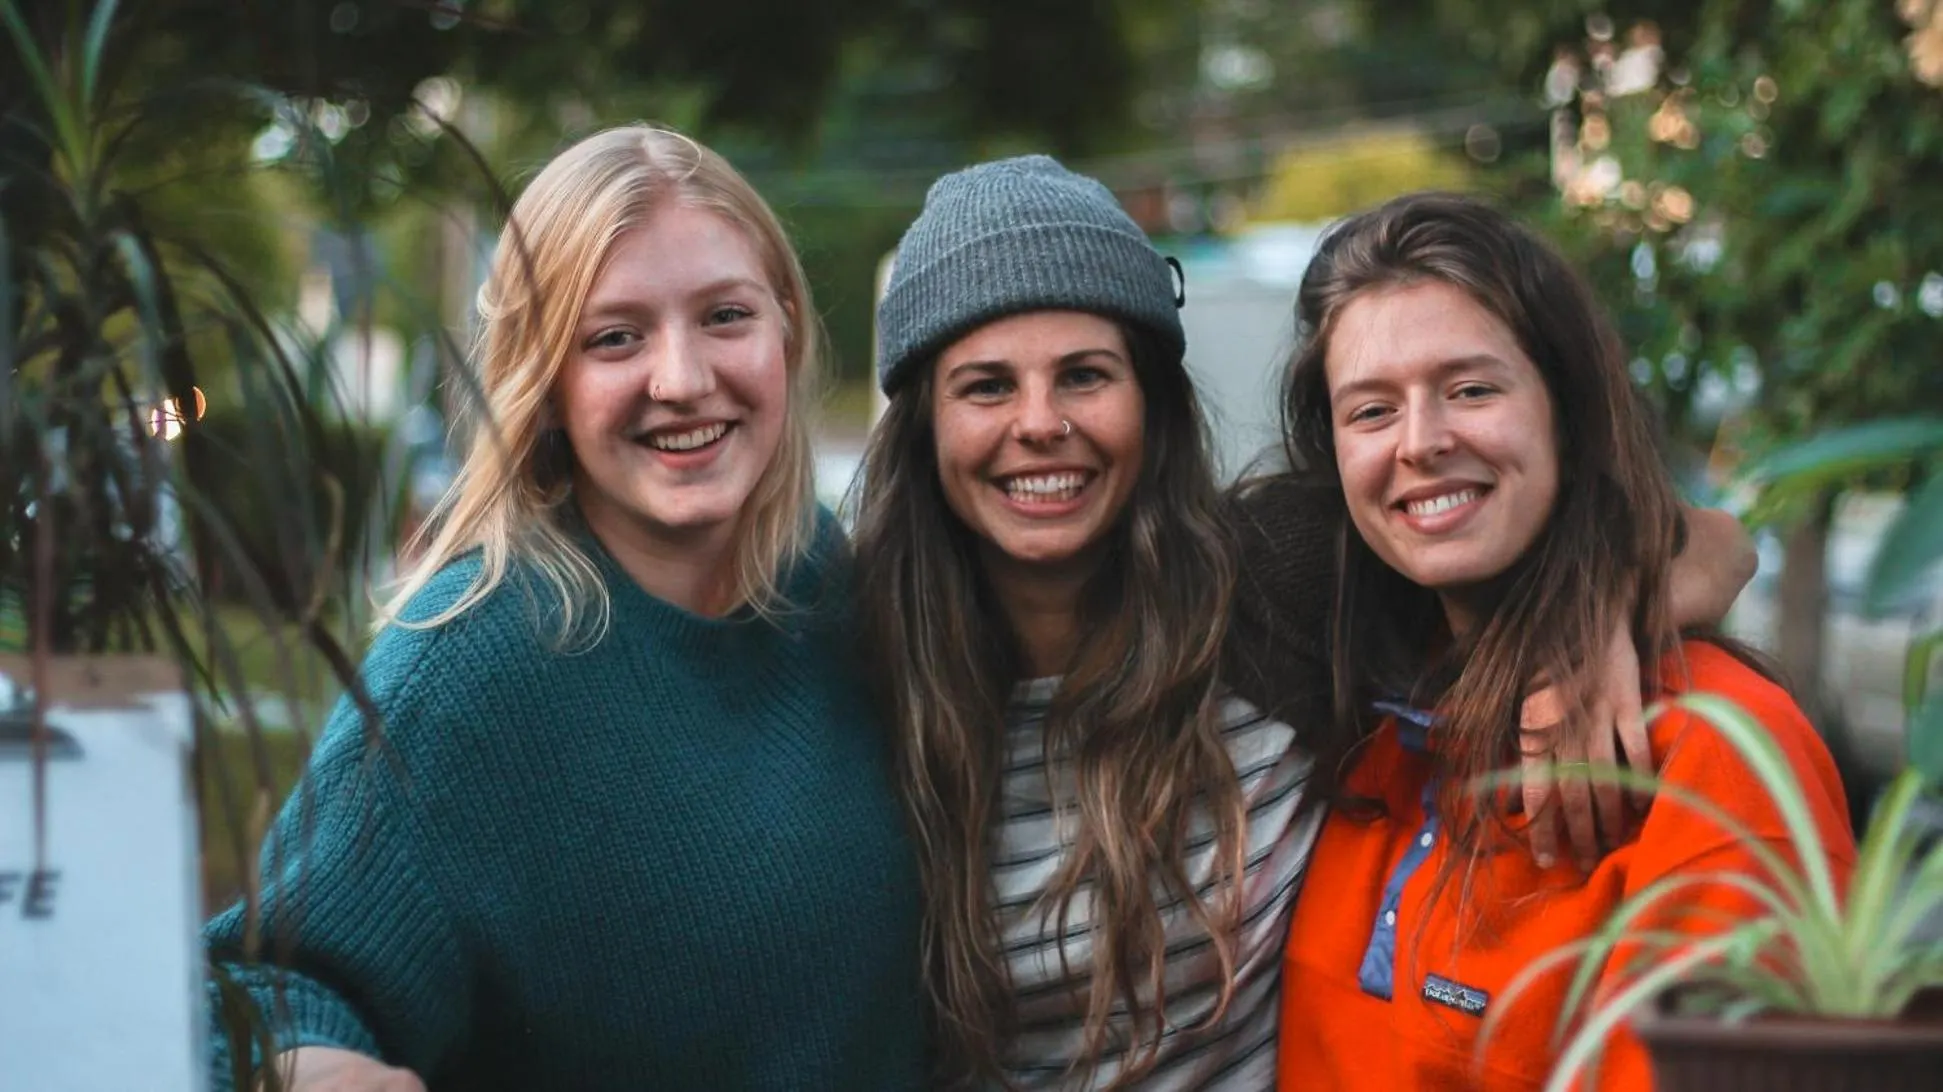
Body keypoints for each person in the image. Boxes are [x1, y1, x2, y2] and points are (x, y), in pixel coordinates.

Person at [855, 159, 1754, 1091]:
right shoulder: (855, 654)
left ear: (1152, 404)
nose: (1040, 423)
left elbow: (1717, 543)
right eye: (986, 386)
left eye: (1085, 375)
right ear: (922, 424)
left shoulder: (1267, 583)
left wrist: (1600, 611)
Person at [201, 126, 926, 1092]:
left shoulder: (830, 582)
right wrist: (313, 1067)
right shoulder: (468, 666)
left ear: (786, 330)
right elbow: (256, 990)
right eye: (614, 337)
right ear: (544, 384)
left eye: (724, 316)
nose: (682, 380)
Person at [1265, 192, 1855, 1091]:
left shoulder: (1709, 758)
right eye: (1371, 410)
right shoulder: (1360, 715)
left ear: (1567, 417)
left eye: (1470, 389)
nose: (1420, 442)